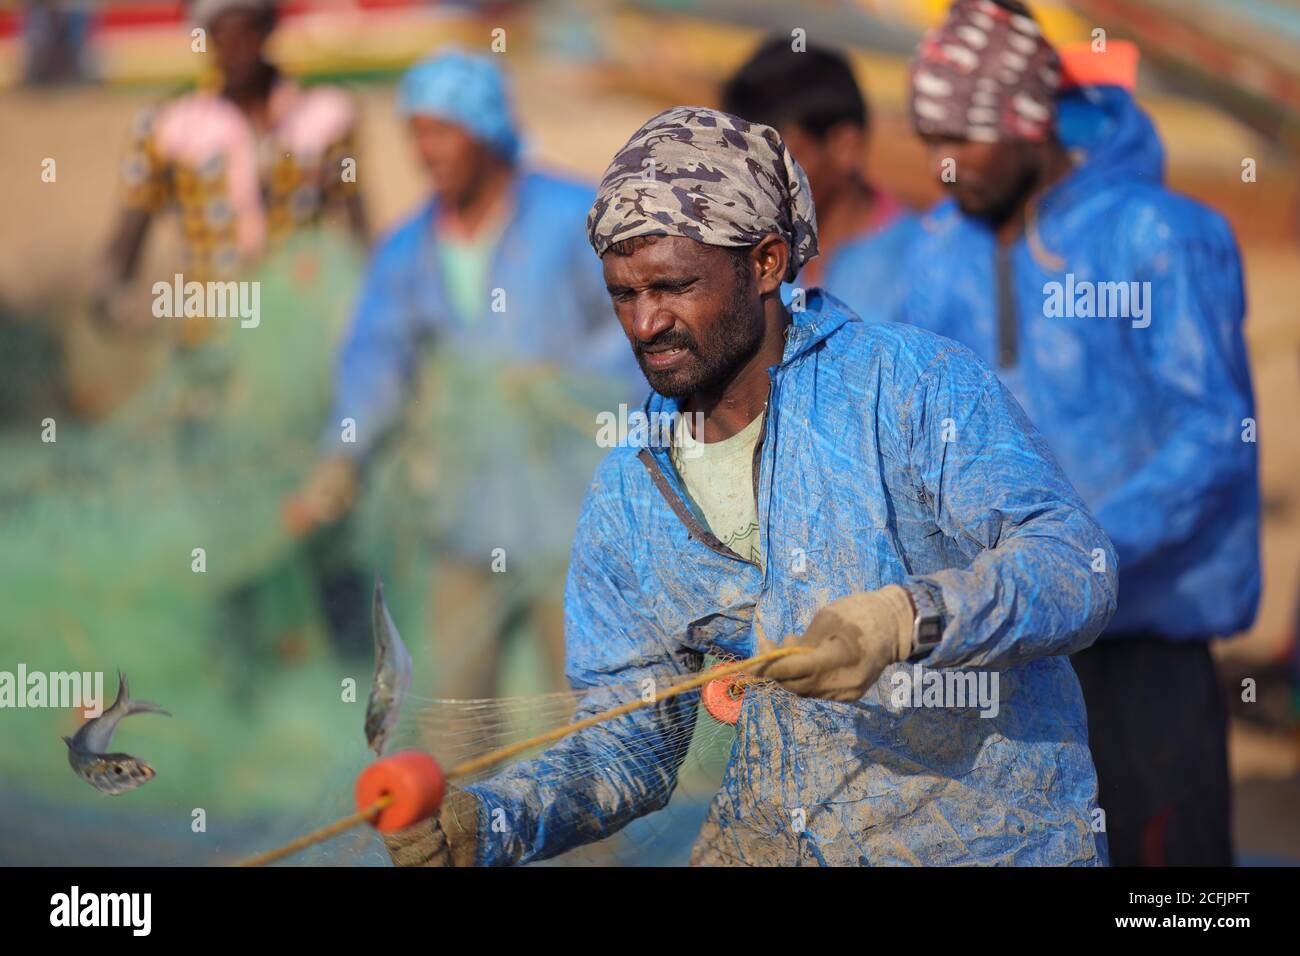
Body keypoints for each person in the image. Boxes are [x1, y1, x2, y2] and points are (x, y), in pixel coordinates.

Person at [382, 105, 1118, 868]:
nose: (643, 323)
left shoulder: (908, 386)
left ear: (765, 263)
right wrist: (494, 822)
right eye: (623, 295)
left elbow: (1075, 566)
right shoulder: (632, 491)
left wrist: (906, 619)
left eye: (672, 286)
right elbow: (624, 746)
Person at [898, 0, 1259, 865]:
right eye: (930, 140)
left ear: (1028, 128)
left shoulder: (1160, 236)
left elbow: (1215, 435)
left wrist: (1077, 555)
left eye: (965, 140)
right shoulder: (939, 247)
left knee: (1168, 880)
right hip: (1003, 640)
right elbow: (913, 419)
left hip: (1144, 637)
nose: (944, 168)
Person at [286, 50, 634, 700]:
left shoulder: (575, 220)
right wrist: (344, 454)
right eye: (415, 133)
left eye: (441, 131)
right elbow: (377, 358)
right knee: (452, 714)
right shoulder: (408, 248)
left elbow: (643, 327)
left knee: (589, 712)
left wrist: (567, 379)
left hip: (575, 522)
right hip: (465, 516)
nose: (425, 151)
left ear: (486, 131)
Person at [98, 0, 365, 328]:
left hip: (300, 324)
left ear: (269, 29)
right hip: (208, 328)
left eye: (247, 32)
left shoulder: (324, 119)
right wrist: (113, 296)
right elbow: (131, 227)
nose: (236, 49)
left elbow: (356, 224)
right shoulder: (169, 128)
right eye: (222, 36)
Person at [720, 37, 920, 324]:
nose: (751, 178)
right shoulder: (732, 253)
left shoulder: (926, 262)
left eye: (773, 159)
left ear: (844, 147)